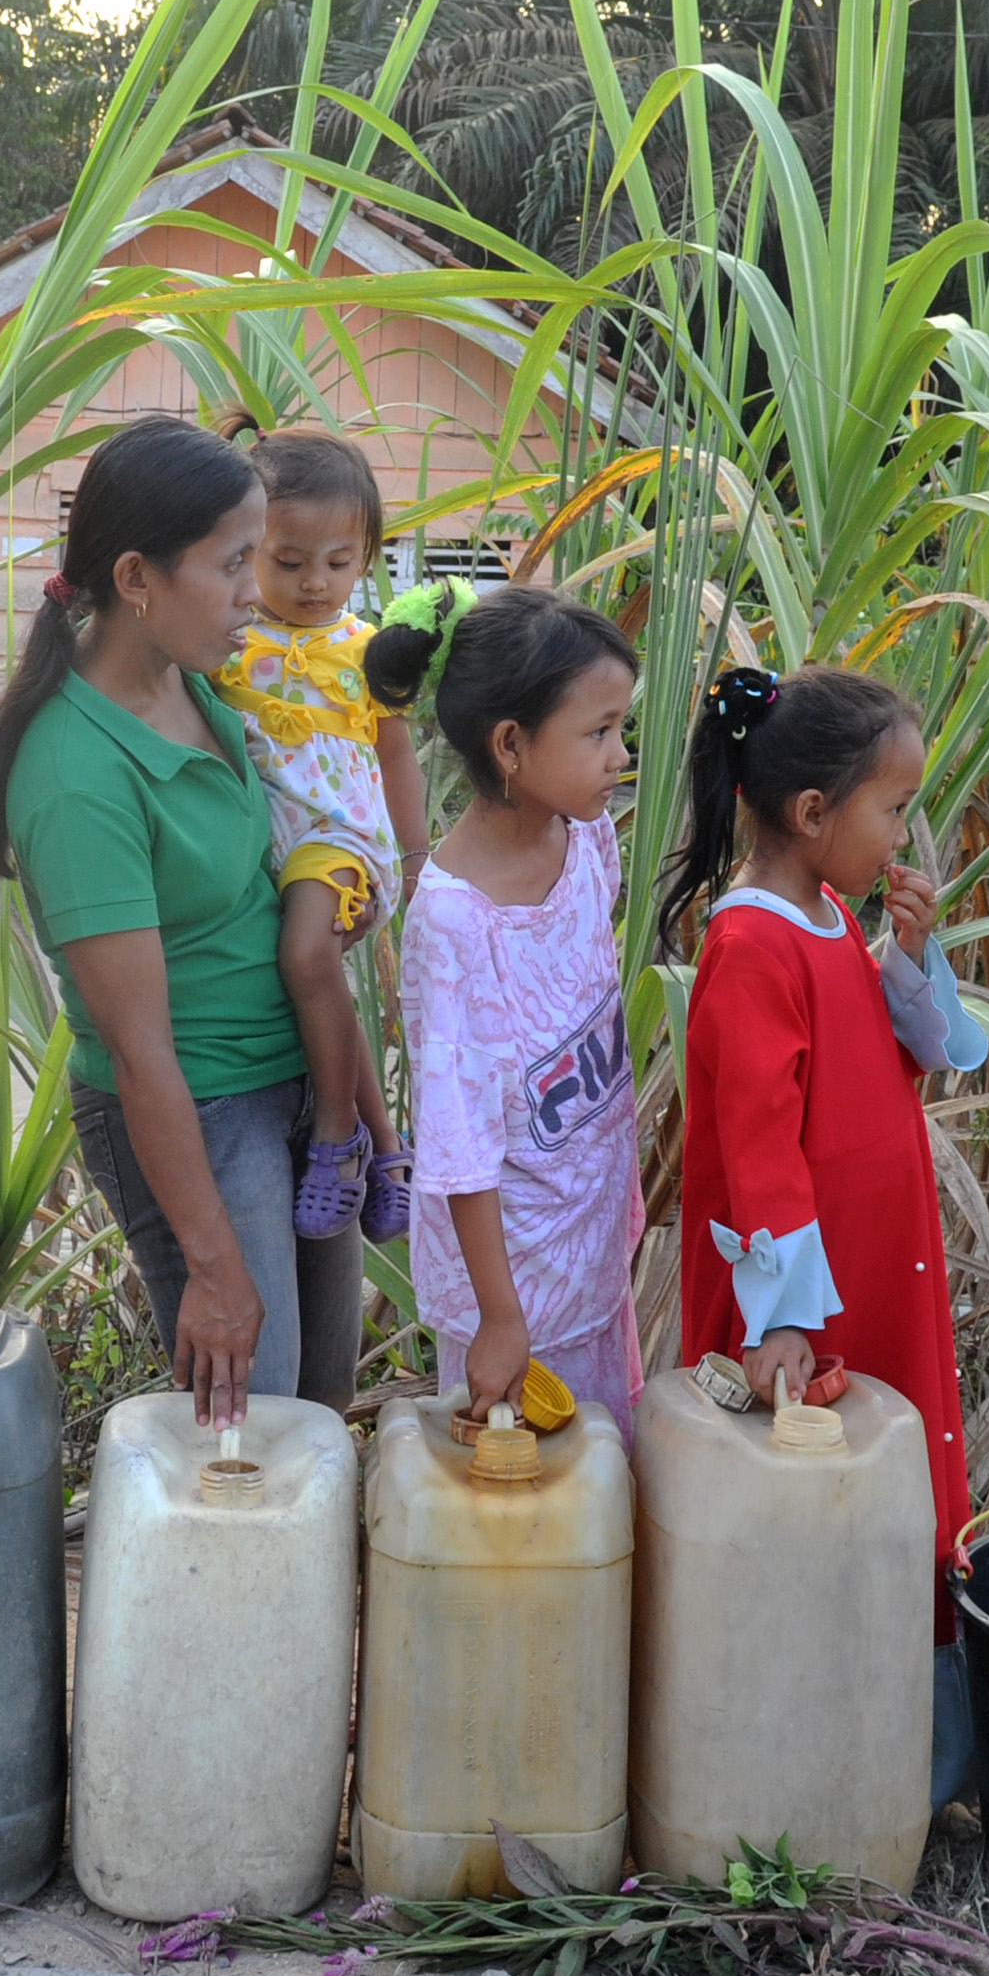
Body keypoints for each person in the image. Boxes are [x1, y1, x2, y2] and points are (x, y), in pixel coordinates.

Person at [663, 663, 989, 1793]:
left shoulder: (828, 918)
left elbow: (902, 1048)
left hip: (872, 1270)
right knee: (813, 1500)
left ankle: (898, 1755)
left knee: (880, 1484)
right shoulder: (752, 947)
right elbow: (760, 1151)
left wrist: (909, 954)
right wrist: (782, 1323)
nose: (904, 835)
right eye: (893, 809)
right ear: (812, 812)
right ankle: (806, 1761)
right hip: (810, 1303)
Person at [0, 416, 339, 1428]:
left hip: (284, 1082)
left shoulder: (194, 683)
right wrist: (213, 1266)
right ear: (137, 577)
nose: (254, 592)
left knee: (316, 1402)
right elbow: (139, 1056)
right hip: (199, 1109)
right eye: (230, 564)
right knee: (248, 1433)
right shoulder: (76, 776)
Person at [366, 578, 647, 1436]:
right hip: (514, 1290)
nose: (620, 755)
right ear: (511, 745)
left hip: (590, 1251)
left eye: (622, 729)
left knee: (603, 1475)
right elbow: (459, 1142)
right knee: (524, 1493)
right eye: (598, 732)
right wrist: (498, 1316)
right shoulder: (456, 922)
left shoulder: (586, 835)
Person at [211, 420, 428, 1244]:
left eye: (339, 563)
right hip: (266, 843)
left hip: (339, 836)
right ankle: (389, 1150)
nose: (315, 583)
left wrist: (415, 858)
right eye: (290, 560)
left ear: (366, 558)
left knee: (307, 957)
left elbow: (397, 756)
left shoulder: (369, 652)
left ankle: (337, 1138)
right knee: (322, 984)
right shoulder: (226, 639)